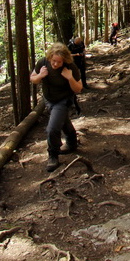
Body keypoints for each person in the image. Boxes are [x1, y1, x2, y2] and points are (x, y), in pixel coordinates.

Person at [30, 42, 82, 172]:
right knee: (62, 120)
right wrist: (40, 76)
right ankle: (72, 143)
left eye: (59, 62)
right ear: (49, 57)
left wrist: (70, 78)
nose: (55, 64)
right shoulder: (43, 62)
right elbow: (33, 79)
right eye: (53, 61)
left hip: (63, 100)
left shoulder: (70, 66)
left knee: (52, 129)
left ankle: (53, 155)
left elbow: (78, 88)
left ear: (64, 60)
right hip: (49, 99)